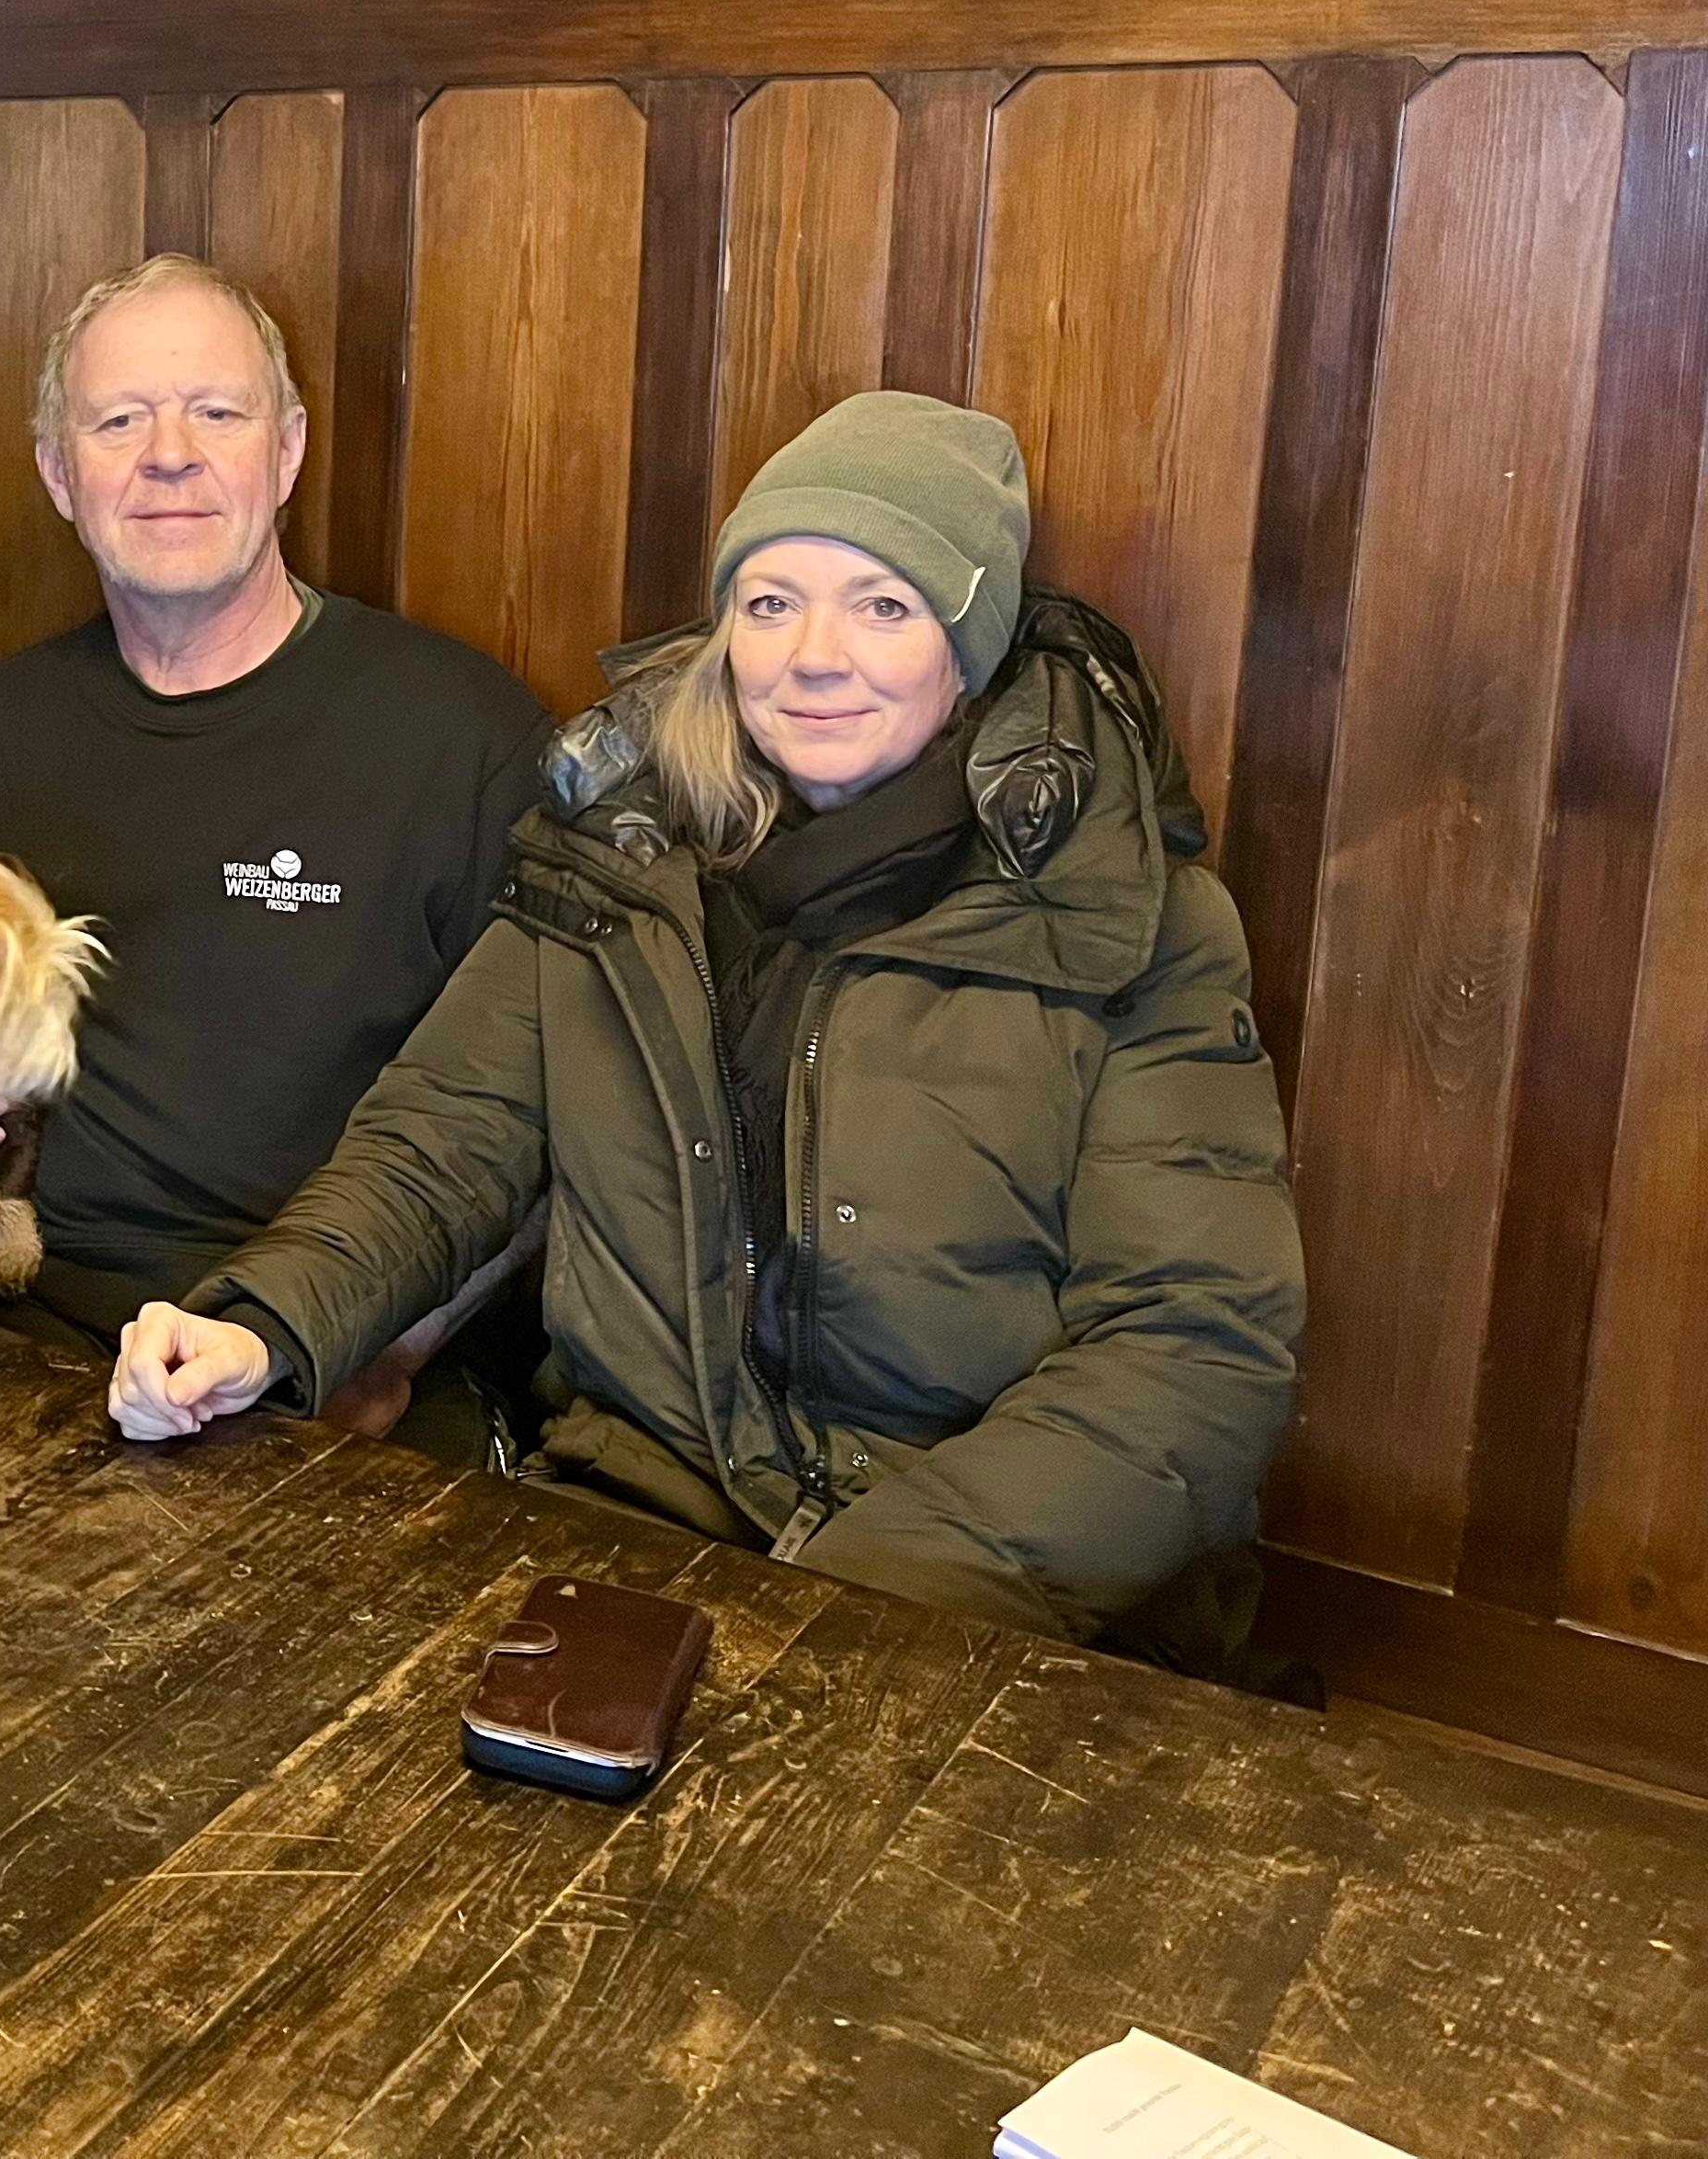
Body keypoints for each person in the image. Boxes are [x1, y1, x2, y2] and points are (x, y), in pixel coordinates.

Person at [110, 392, 1306, 1669]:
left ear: (971, 648)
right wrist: (260, 1326)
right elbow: (441, 1145)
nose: (815, 656)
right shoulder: (617, 857)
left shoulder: (1125, 912)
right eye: (772, 602)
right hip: (633, 1532)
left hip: (972, 1604)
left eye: (885, 606)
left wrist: (861, 1599)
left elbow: (1195, 1346)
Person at [0, 256, 551, 1429]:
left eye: (215, 414)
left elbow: (553, 1120)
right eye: (118, 420)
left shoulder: (465, 736)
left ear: (285, 453)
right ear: (59, 475)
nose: (167, 453)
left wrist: (389, 1347)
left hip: (325, 1362)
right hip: (4, 1344)